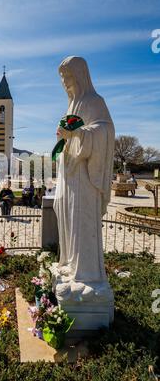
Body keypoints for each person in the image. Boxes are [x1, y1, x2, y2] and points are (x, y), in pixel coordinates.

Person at [53, 56, 114, 291]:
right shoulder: (72, 105)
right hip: (69, 175)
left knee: (81, 221)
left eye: (67, 77)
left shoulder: (93, 101)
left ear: (79, 76)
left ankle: (87, 274)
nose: (64, 83)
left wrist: (78, 134)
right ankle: (70, 262)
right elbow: (71, 135)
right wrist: (63, 136)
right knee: (66, 216)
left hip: (85, 178)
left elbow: (105, 131)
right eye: (62, 78)